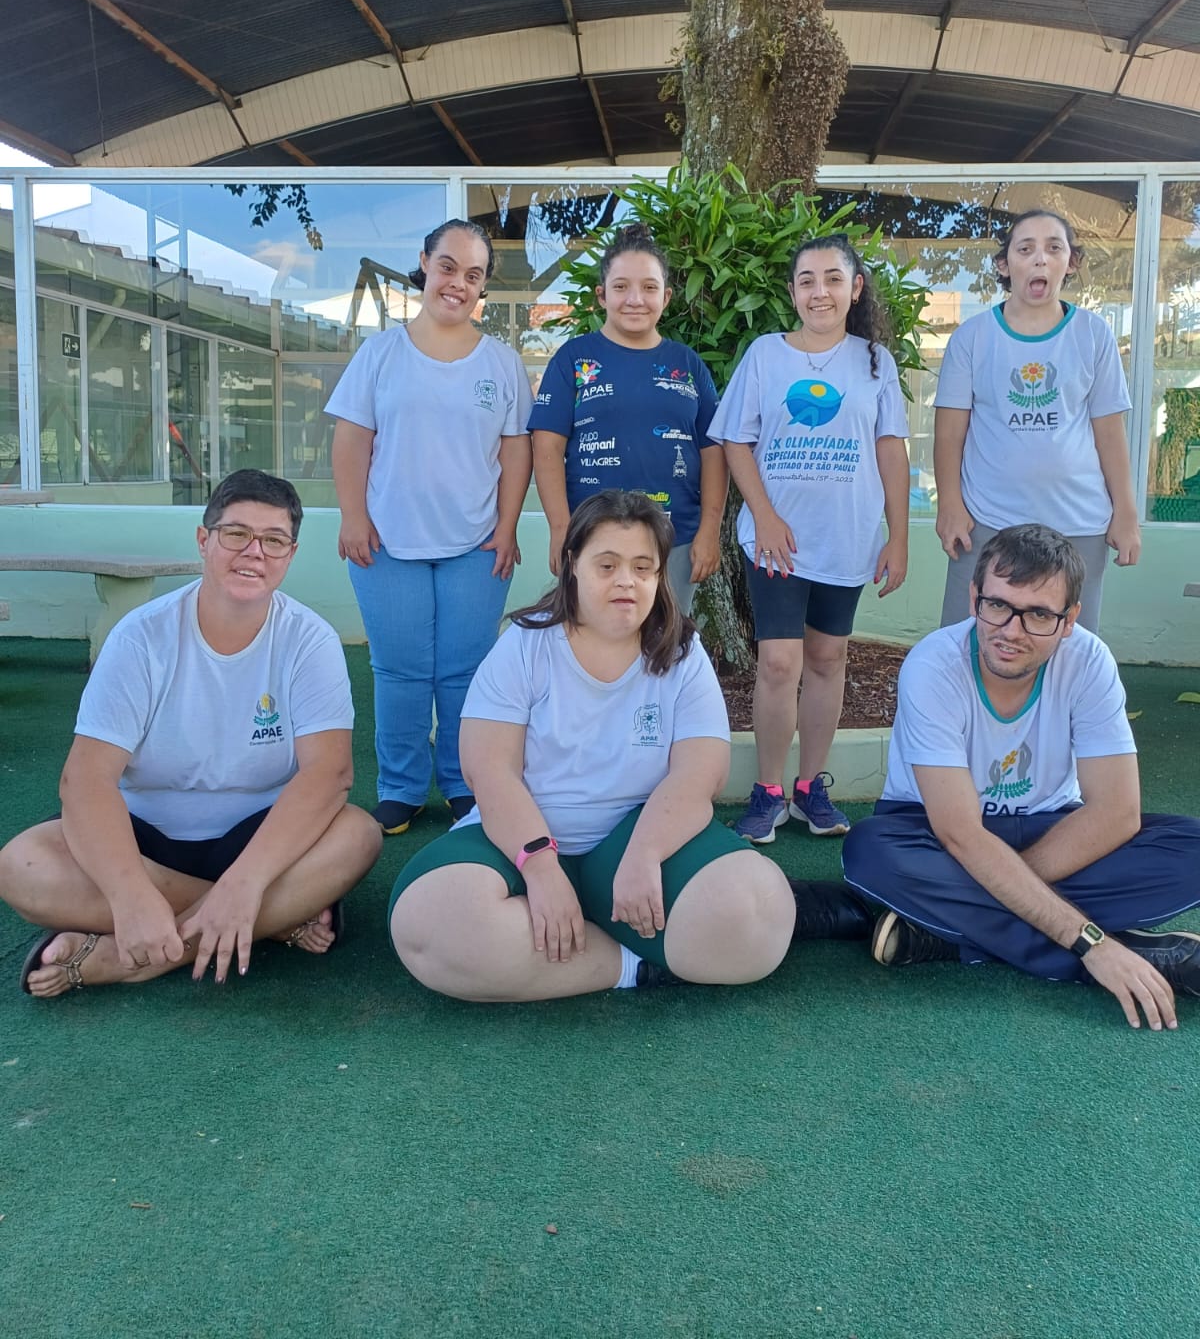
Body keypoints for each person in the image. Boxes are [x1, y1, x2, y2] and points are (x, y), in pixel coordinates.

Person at [388, 491, 869, 1001]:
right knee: (428, 928)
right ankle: (631, 965)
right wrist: (542, 868)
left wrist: (644, 855)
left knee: (760, 915)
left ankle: (580, 948)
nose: (626, 581)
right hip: (519, 841)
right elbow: (489, 770)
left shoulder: (683, 653)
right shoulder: (524, 645)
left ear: (660, 576)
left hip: (638, 837)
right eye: (607, 565)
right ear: (572, 564)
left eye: (643, 567)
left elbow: (699, 774)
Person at [1, 469, 382, 998]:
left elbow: (329, 773)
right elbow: (85, 780)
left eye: (273, 540)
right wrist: (130, 894)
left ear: (290, 555)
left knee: (358, 836)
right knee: (21, 866)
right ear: (204, 540)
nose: (254, 552)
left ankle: (133, 958)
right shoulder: (140, 637)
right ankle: (275, 919)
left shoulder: (308, 639)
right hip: (143, 838)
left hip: (259, 838)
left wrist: (247, 881)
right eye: (236, 534)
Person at [842, 525, 1200, 1029]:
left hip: (1053, 827)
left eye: (1038, 614)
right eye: (998, 605)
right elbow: (960, 834)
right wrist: (1091, 944)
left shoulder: (1089, 662)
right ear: (974, 598)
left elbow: (1117, 813)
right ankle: (1130, 957)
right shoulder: (933, 665)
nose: (1011, 631)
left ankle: (946, 933)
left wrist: (1010, 885)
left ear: (1069, 620)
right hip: (932, 833)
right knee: (872, 851)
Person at [327, 218, 534, 835]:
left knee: (465, 672)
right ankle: (401, 787)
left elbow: (516, 451)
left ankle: (466, 784)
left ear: (483, 286)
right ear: (424, 263)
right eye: (447, 267)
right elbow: (351, 440)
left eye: (473, 275)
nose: (457, 284)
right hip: (387, 543)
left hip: (477, 545)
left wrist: (507, 526)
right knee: (400, 671)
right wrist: (353, 516)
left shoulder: (502, 363)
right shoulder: (380, 354)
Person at [707, 233, 911, 844]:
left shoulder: (875, 361)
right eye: (806, 280)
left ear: (856, 288)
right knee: (778, 662)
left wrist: (899, 537)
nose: (819, 292)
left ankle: (809, 788)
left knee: (827, 660)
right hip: (776, 543)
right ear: (792, 292)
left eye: (832, 279)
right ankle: (767, 791)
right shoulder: (766, 355)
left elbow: (890, 451)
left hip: (846, 540)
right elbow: (735, 440)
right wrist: (764, 515)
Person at [934, 208, 1140, 635]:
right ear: (1004, 265)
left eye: (1054, 248)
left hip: (1078, 524)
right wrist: (949, 505)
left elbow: (1109, 433)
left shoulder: (1094, 334)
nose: (1040, 259)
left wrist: (1126, 512)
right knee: (967, 642)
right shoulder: (972, 337)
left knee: (1067, 648)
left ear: (1072, 262)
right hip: (986, 522)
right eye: (1025, 249)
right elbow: (949, 434)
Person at [529, 223, 726, 611]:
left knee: (666, 640)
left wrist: (710, 530)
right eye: (621, 287)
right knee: (592, 638)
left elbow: (714, 452)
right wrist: (560, 528)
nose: (635, 299)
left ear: (666, 297)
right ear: (602, 295)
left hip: (675, 540)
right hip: (591, 539)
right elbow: (546, 446)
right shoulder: (573, 359)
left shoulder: (688, 364)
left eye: (649, 287)